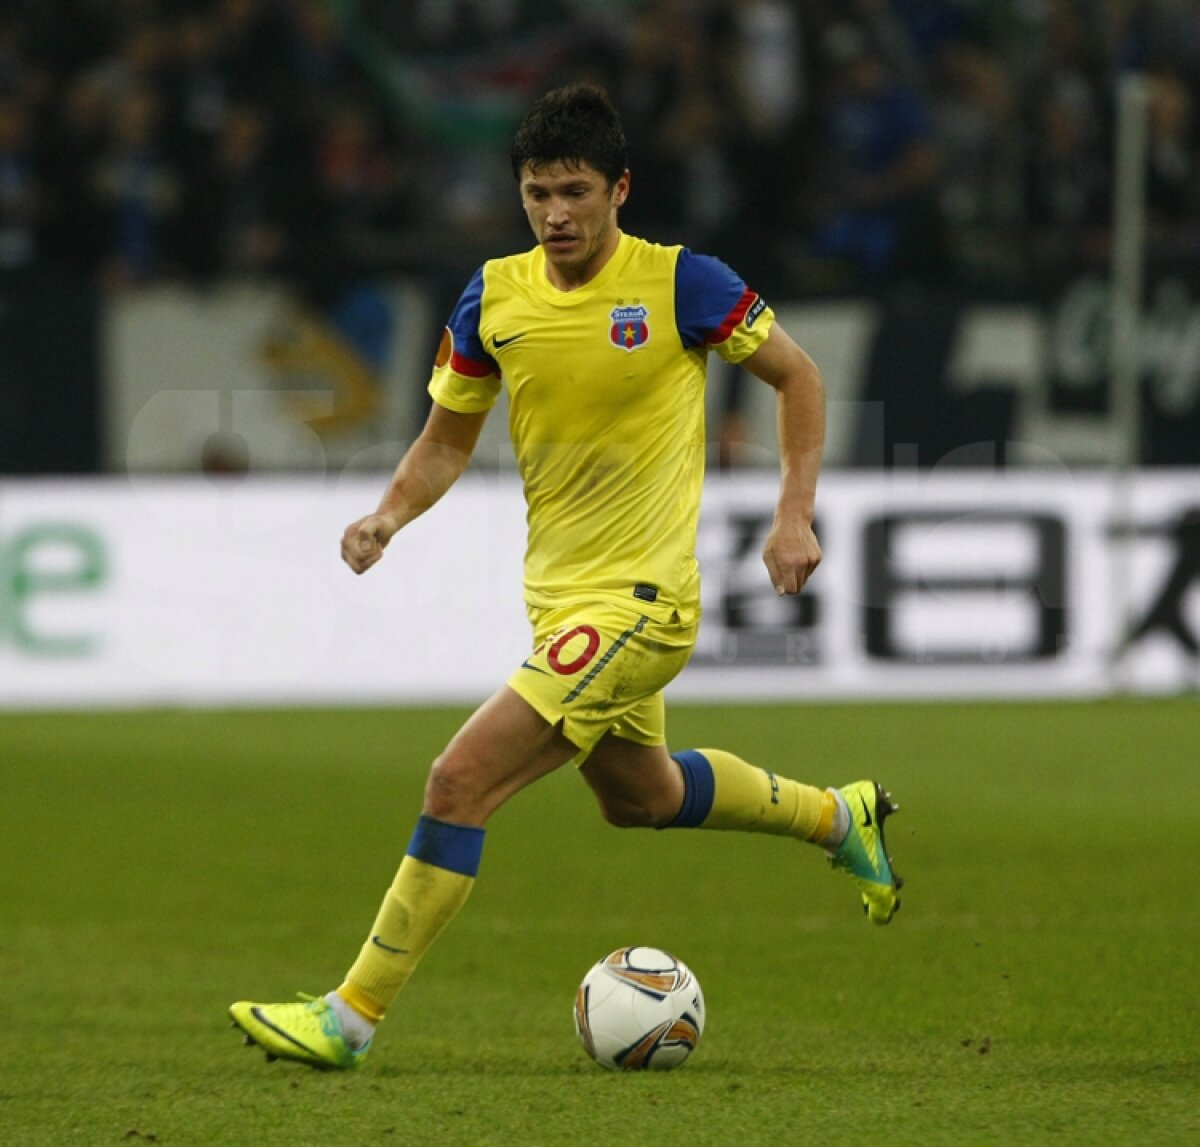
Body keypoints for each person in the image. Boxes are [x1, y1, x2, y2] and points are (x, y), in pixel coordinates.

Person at [229, 84, 902, 1071]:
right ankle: (841, 817)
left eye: (575, 191)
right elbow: (444, 442)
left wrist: (793, 511)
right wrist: (388, 515)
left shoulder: (682, 283)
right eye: (537, 194)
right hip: (560, 602)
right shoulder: (493, 296)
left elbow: (798, 375)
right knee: (642, 795)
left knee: (458, 779)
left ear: (620, 189)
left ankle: (350, 1016)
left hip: (644, 603)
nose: (555, 214)